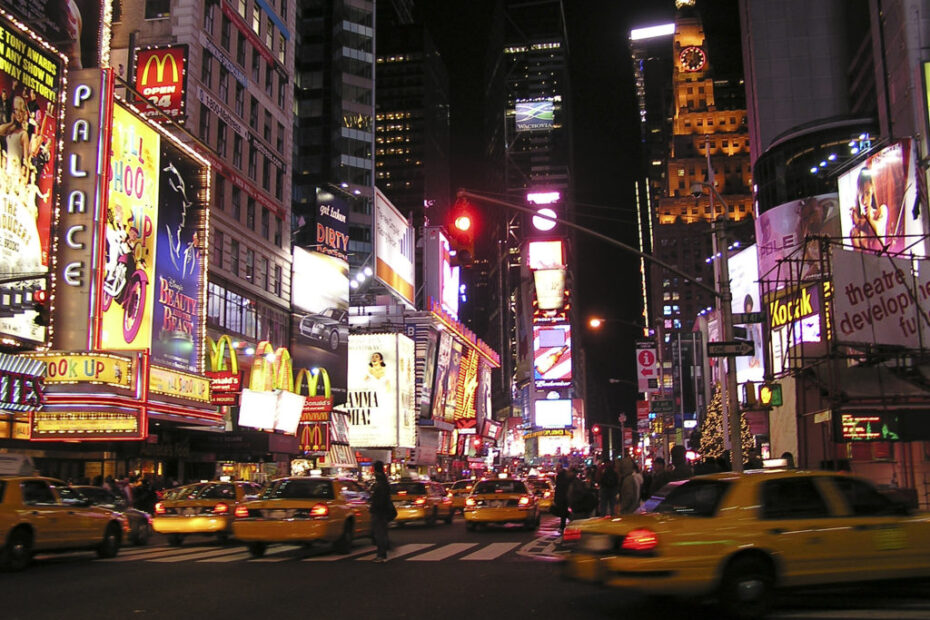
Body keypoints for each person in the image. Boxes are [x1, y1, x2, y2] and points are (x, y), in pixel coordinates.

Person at [368, 460, 395, 562]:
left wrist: (374, 506)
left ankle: (381, 554)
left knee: (379, 533)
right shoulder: (384, 481)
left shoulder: (380, 483)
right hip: (382, 510)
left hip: (379, 511)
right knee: (382, 532)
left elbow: (380, 498)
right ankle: (383, 551)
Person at [553, 464, 570, 533]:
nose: (556, 470)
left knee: (563, 512)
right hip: (565, 496)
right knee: (563, 511)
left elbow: (559, 488)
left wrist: (556, 498)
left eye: (557, 468)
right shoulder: (565, 475)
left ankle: (562, 526)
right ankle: (563, 525)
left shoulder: (560, 476)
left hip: (562, 496)